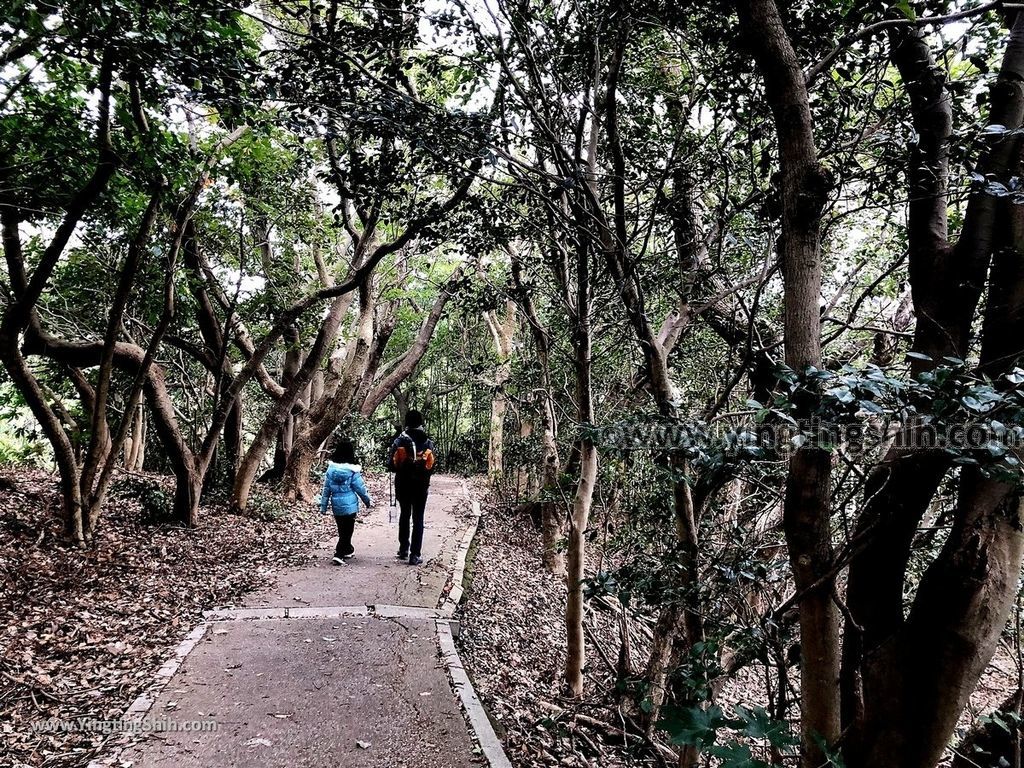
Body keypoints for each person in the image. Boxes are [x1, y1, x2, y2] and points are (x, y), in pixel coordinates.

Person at [387, 410, 436, 566]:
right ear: (421, 422)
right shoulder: (427, 442)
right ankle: (415, 554)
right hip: (421, 485)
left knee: (404, 515)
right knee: (418, 518)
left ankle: (403, 549)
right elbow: (431, 467)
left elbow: (391, 465)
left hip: (403, 484)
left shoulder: (399, 441)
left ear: (407, 422)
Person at [320, 439, 372, 565]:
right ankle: (339, 554)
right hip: (350, 506)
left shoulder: (330, 471)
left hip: (336, 505)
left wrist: (323, 507)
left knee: (342, 529)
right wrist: (368, 501)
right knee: (347, 531)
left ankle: (348, 549)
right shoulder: (353, 471)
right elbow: (360, 489)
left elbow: (326, 490)